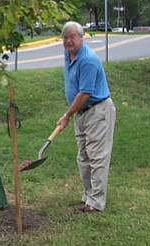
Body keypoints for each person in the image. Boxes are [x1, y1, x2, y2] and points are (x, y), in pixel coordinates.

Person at [57, 21, 116, 213]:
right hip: (81, 113)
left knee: (97, 157)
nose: (68, 41)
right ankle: (88, 195)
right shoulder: (69, 54)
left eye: (72, 37)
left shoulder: (88, 60)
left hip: (97, 111)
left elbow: (84, 93)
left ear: (81, 38)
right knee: (83, 156)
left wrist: (67, 115)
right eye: (65, 37)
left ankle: (96, 202)